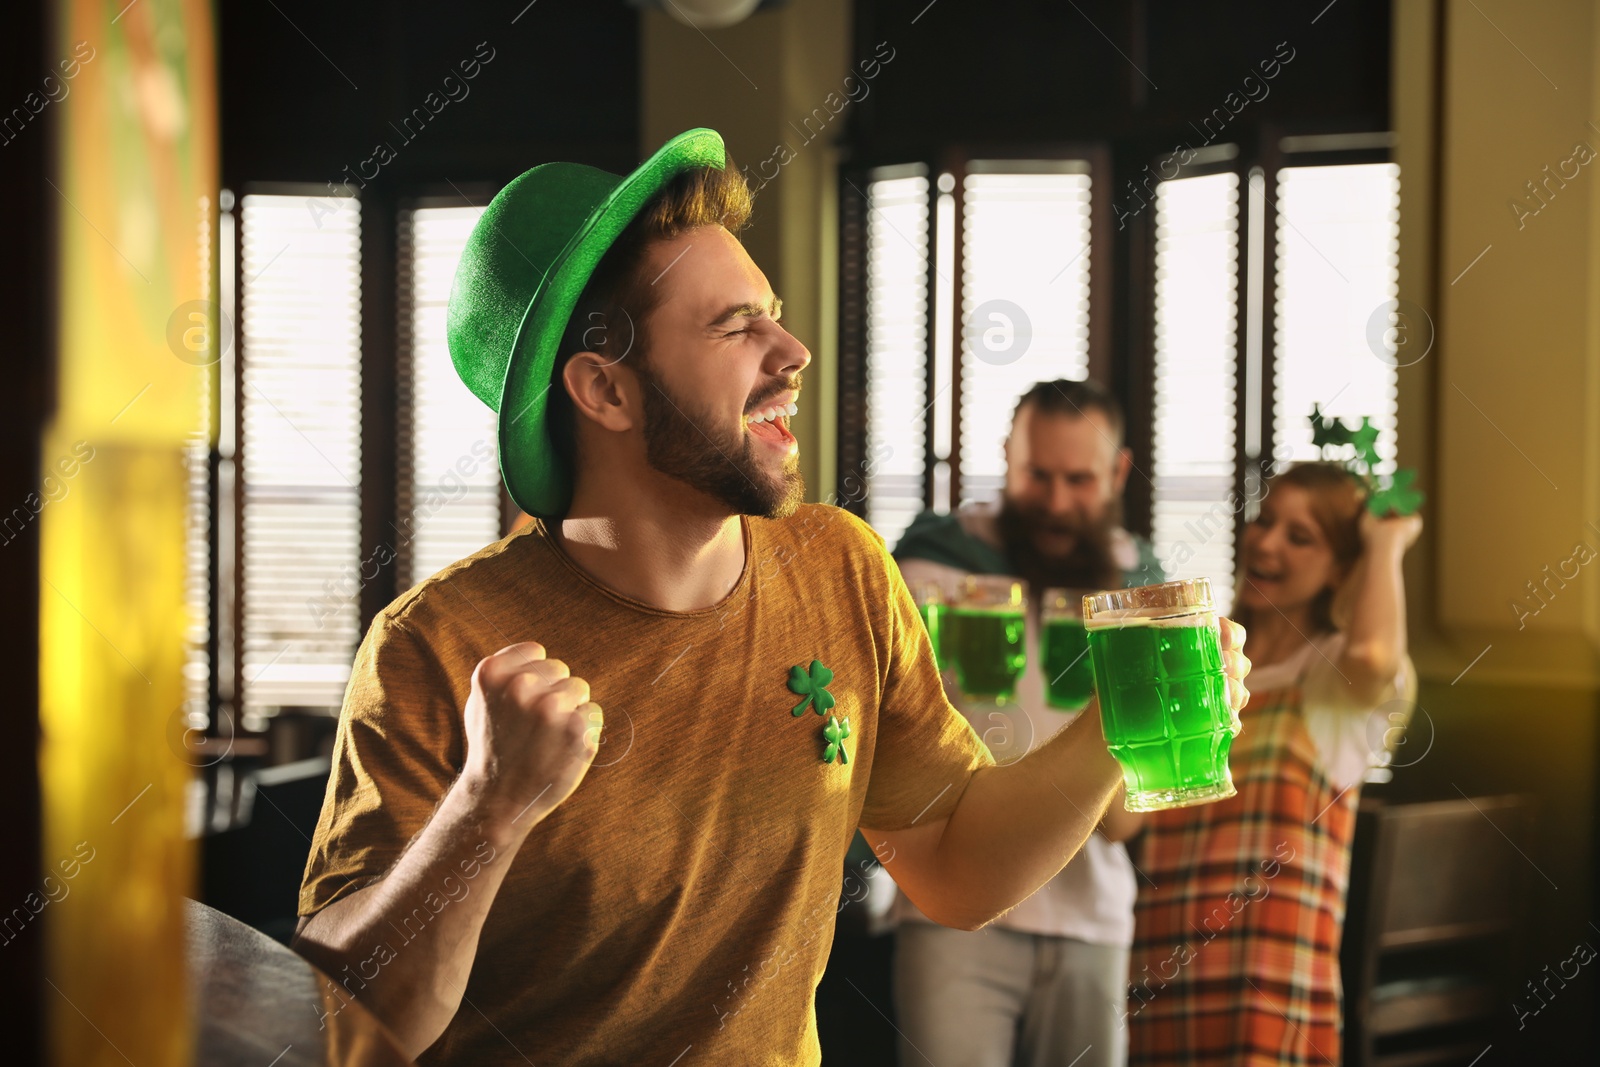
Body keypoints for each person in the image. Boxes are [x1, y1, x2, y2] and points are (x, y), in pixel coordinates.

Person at [289, 128, 1251, 1066]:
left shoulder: (841, 567)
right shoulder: (434, 643)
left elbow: (956, 865)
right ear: (607, 392)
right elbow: (355, 1022)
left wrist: (1116, 727)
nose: (791, 350)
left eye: (773, 313)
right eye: (734, 326)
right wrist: (486, 811)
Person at [887, 378, 1160, 1067]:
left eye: (1080, 478)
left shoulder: (1141, 581)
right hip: (948, 909)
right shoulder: (930, 558)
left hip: (1091, 912)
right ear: (1007, 454)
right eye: (1039, 474)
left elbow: (1130, 813)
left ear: (1118, 472)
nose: (1059, 501)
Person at [1127, 462, 1420, 1067]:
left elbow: (1372, 652)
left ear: (1341, 567)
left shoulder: (1332, 683)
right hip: (1158, 985)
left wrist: (1386, 543)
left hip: (1271, 1008)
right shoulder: (1199, 671)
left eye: (1300, 536)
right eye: (1265, 521)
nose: (1266, 542)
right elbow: (1123, 818)